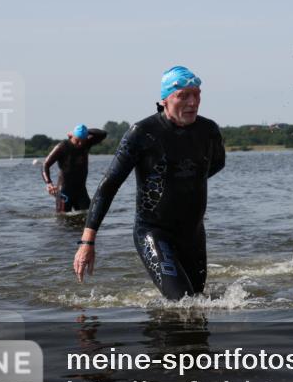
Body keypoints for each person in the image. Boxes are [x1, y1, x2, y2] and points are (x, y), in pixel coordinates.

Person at [71, 66, 226, 300]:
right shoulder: (142, 133)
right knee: (182, 301)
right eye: (183, 95)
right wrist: (87, 241)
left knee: (198, 303)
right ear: (164, 99)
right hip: (154, 232)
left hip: (193, 233)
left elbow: (217, 164)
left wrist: (184, 182)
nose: (193, 102)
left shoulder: (209, 130)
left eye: (197, 94)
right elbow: (109, 185)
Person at [42, 124, 107, 212]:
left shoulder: (87, 143)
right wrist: (49, 183)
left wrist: (86, 131)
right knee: (63, 220)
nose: (80, 144)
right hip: (64, 191)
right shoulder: (63, 146)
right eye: (77, 140)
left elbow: (103, 134)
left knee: (88, 216)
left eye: (82, 141)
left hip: (81, 190)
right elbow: (45, 165)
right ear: (72, 136)